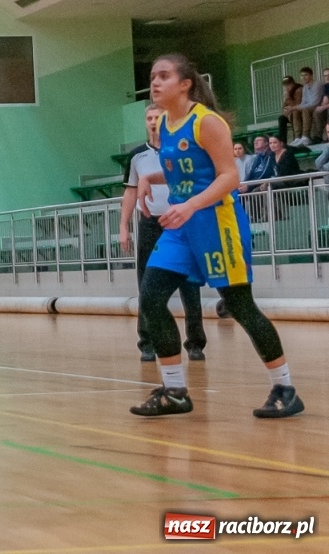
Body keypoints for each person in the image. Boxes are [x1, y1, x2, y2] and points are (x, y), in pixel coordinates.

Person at [129, 54, 303, 419]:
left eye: (163, 76)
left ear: (185, 83)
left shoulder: (207, 122)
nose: (155, 83)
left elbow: (229, 177)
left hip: (216, 222)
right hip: (181, 227)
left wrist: (191, 205)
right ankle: (175, 390)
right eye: (152, 77)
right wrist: (150, 178)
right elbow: (185, 173)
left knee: (239, 305)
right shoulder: (166, 123)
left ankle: (285, 387)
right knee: (151, 297)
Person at [119, 105, 205, 363]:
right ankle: (147, 341)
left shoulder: (180, 149)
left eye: (158, 117)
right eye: (149, 118)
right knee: (146, 283)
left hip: (182, 221)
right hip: (149, 222)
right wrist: (124, 227)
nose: (154, 121)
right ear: (145, 122)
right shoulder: (136, 157)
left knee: (189, 283)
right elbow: (130, 192)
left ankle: (195, 342)